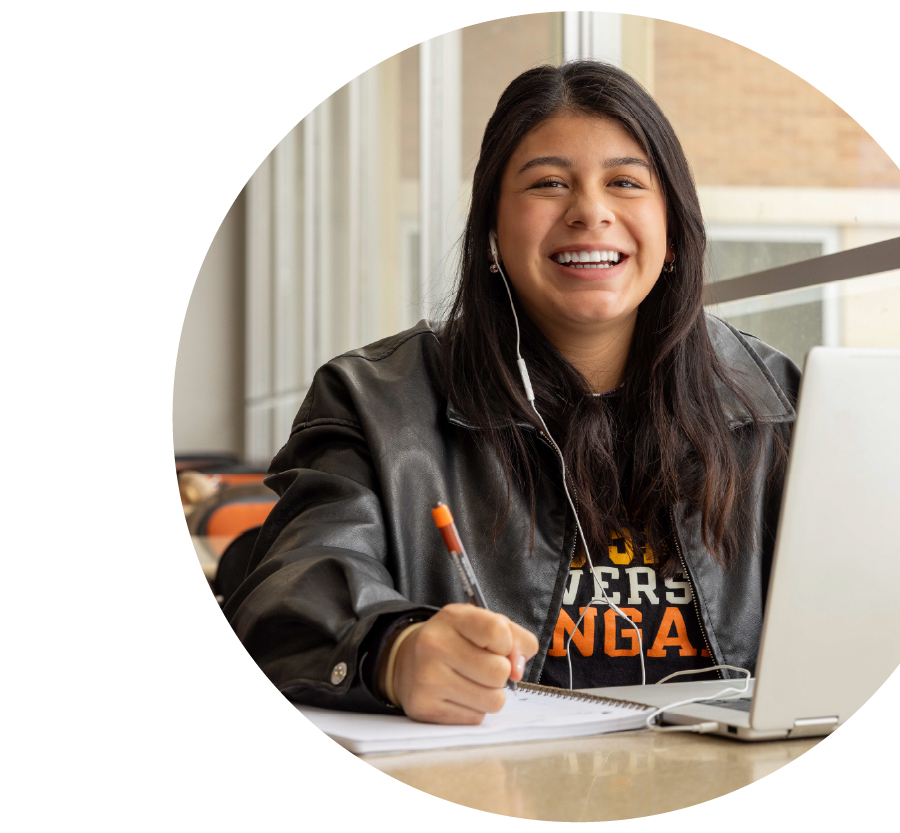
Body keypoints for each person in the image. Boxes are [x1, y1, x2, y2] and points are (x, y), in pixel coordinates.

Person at [226, 61, 799, 726]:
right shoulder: (375, 401)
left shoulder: (775, 399)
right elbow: (287, 588)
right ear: (493, 229)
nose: (590, 210)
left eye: (625, 182)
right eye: (549, 183)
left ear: (671, 230)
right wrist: (394, 650)